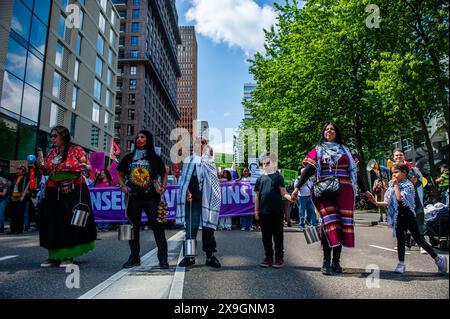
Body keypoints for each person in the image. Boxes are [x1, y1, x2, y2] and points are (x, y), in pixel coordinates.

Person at [292, 122, 360, 275]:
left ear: (337, 132)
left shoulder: (345, 150)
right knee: (328, 224)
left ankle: (336, 262)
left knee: (341, 225)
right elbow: (309, 170)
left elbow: (355, 172)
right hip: (325, 190)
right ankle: (325, 261)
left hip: (345, 190)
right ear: (323, 133)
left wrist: (366, 191)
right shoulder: (317, 150)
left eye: (332, 129)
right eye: (327, 129)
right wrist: (297, 188)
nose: (329, 131)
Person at [366, 163, 447, 274]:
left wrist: (396, 186)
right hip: (398, 216)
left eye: (396, 172)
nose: (393, 175)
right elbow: (387, 202)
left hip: (408, 215)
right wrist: (375, 201)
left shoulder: (408, 185)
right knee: (400, 240)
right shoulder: (392, 185)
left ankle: (439, 259)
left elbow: (400, 199)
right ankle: (401, 263)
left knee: (419, 240)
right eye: (392, 172)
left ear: (404, 173)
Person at [36, 126, 97, 267]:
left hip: (74, 189)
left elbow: (88, 167)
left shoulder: (76, 150)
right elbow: (46, 173)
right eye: (51, 136)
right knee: (52, 222)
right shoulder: (51, 153)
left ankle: (68, 255)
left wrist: (81, 167)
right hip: (53, 191)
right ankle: (54, 256)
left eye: (55, 136)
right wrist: (41, 166)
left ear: (63, 136)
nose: (52, 139)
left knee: (69, 222)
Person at [117, 130, 169, 269]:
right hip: (133, 197)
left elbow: (164, 174)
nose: (139, 139)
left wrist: (163, 187)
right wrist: (122, 185)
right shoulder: (129, 157)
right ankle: (134, 258)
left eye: (142, 137)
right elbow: (120, 174)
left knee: (158, 227)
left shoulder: (154, 158)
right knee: (133, 228)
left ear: (148, 140)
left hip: (152, 197)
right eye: (137, 137)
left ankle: (163, 259)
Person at [176, 136, 222, 268]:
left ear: (206, 145)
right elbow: (184, 181)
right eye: (198, 142)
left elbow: (214, 182)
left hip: (207, 199)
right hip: (193, 199)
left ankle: (210, 256)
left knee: (208, 229)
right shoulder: (188, 161)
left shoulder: (210, 161)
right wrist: (187, 192)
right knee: (191, 227)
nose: (200, 145)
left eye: (203, 143)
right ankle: (189, 257)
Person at [254, 152, 292, 268]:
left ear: (273, 163)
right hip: (264, 212)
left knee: (278, 236)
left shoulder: (278, 177)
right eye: (264, 163)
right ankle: (268, 257)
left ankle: (279, 258)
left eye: (268, 162)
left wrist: (291, 197)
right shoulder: (260, 179)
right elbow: (257, 196)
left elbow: (283, 192)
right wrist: (256, 211)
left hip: (277, 212)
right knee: (266, 237)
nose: (265, 164)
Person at [392, 148, 426, 253]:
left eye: (400, 155)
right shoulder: (392, 170)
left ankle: (422, 243)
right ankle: (405, 243)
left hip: (414, 200)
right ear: (393, 158)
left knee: (418, 220)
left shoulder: (412, 169)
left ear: (404, 156)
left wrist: (416, 182)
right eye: (396, 156)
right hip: (400, 200)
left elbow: (421, 181)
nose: (398, 157)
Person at [8, 166, 30, 234]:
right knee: (13, 214)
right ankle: (13, 229)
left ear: (23, 171)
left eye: (19, 170)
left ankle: (19, 229)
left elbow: (27, 186)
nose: (17, 171)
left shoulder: (25, 178)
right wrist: (11, 195)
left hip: (20, 198)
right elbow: (12, 187)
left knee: (19, 214)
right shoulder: (15, 178)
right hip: (13, 198)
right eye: (17, 169)